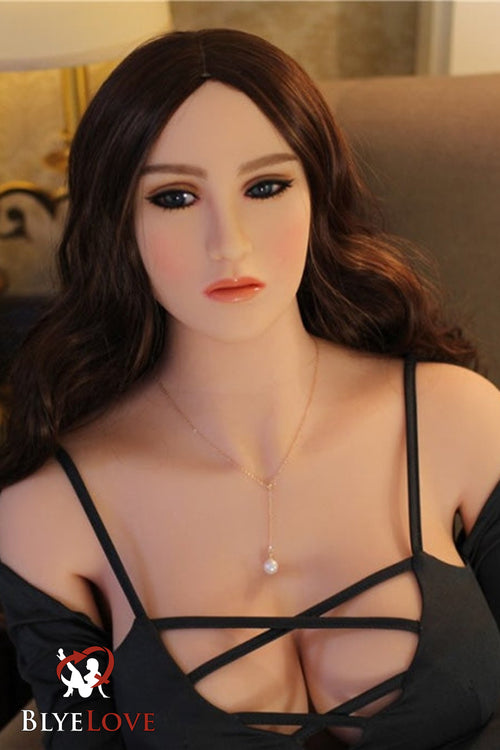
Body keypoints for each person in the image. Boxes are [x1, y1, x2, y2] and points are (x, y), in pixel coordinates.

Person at [0, 28, 499, 750]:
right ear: (118, 224)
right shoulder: (49, 513)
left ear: (317, 192)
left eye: (265, 187)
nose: (228, 243)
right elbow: (69, 726)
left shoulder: (459, 421)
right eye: (174, 197)